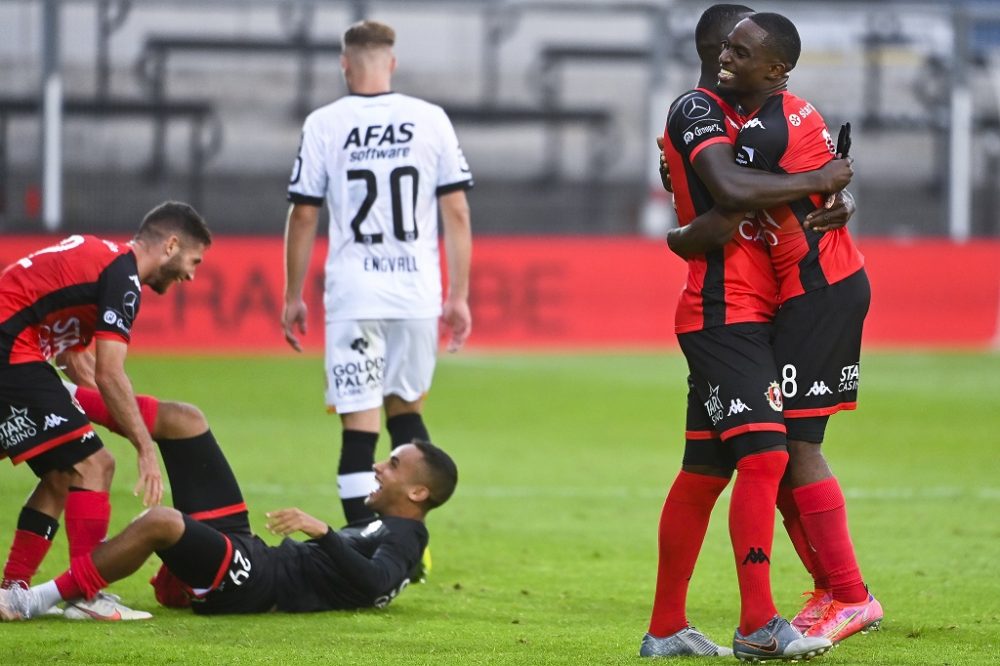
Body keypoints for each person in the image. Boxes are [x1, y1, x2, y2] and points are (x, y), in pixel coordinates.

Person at [641, 4, 853, 660]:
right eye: (733, 43)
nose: (737, 54)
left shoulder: (751, 118)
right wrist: (821, 180)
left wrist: (827, 199)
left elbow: (759, 191)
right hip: (722, 309)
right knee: (764, 457)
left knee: (704, 472)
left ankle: (666, 629)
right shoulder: (696, 107)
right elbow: (730, 189)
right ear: (719, 45)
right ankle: (758, 622)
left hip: (757, 308)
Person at [0, 394, 458, 620]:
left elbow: (377, 582)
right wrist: (404, 569)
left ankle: (32, 601)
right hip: (255, 555)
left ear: (419, 494)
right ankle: (58, 395)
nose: (379, 466)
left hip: (258, 584)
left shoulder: (406, 536)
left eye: (394, 465)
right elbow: (389, 574)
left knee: (160, 522)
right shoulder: (398, 536)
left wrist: (322, 532)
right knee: (186, 422)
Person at [281, 19, 473, 528]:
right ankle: (413, 542)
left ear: (344, 64)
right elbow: (456, 212)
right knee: (407, 416)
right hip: (416, 293)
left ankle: (356, 543)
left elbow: (304, 214)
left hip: (356, 293)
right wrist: (459, 296)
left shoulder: (324, 122)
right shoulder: (430, 119)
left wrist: (292, 294)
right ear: (391, 63)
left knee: (359, 431)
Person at [0, 202, 211, 620]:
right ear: (170, 245)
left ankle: (13, 589)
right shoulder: (123, 276)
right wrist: (145, 446)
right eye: (193, 261)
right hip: (10, 349)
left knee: (66, 470)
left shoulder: (101, 263)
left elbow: (79, 366)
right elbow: (110, 373)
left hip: (14, 349)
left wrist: (107, 422)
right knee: (95, 465)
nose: (191, 275)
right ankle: (85, 595)